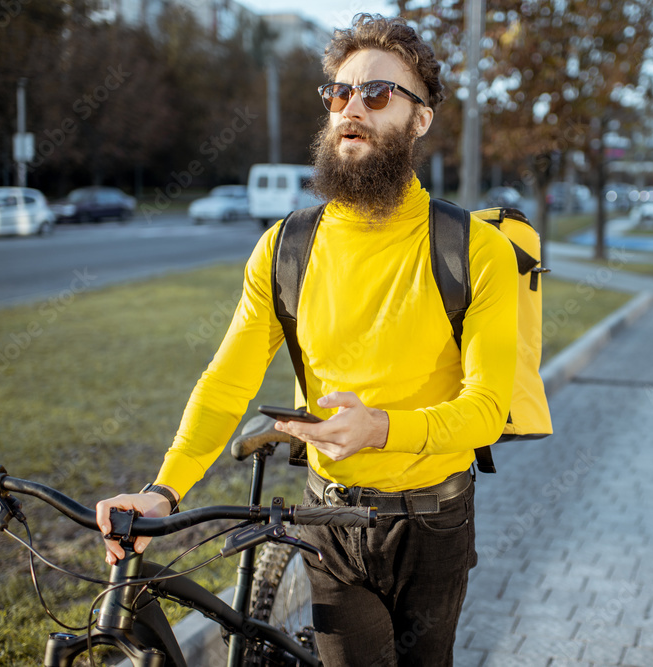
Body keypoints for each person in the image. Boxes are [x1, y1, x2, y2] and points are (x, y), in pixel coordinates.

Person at [96, 13, 518, 666]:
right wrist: (163, 490)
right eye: (340, 92)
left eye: (378, 94)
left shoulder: (474, 249)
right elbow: (227, 379)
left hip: (434, 522)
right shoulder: (285, 246)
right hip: (327, 518)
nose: (351, 106)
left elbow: (488, 407)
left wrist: (379, 427)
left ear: (421, 119)